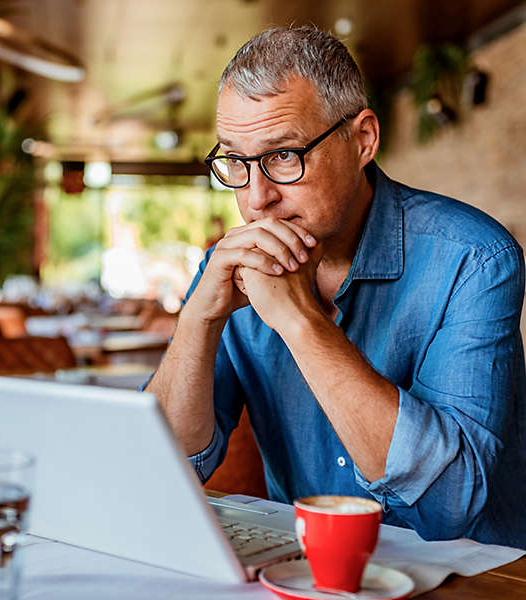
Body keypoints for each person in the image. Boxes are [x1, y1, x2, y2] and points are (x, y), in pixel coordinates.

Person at [145, 26, 526, 548]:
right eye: (235, 160)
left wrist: (300, 322)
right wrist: (197, 321)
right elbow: (162, 472)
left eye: (283, 155)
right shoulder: (228, 268)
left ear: (363, 139)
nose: (256, 199)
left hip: (475, 581)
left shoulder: (473, 258)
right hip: (305, 576)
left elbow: (451, 503)